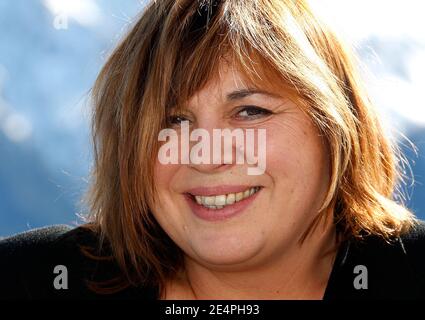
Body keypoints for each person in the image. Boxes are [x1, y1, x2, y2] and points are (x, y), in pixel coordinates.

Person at [1, 0, 424, 300]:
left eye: (250, 111)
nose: (206, 154)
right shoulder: (30, 281)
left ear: (336, 125)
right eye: (173, 121)